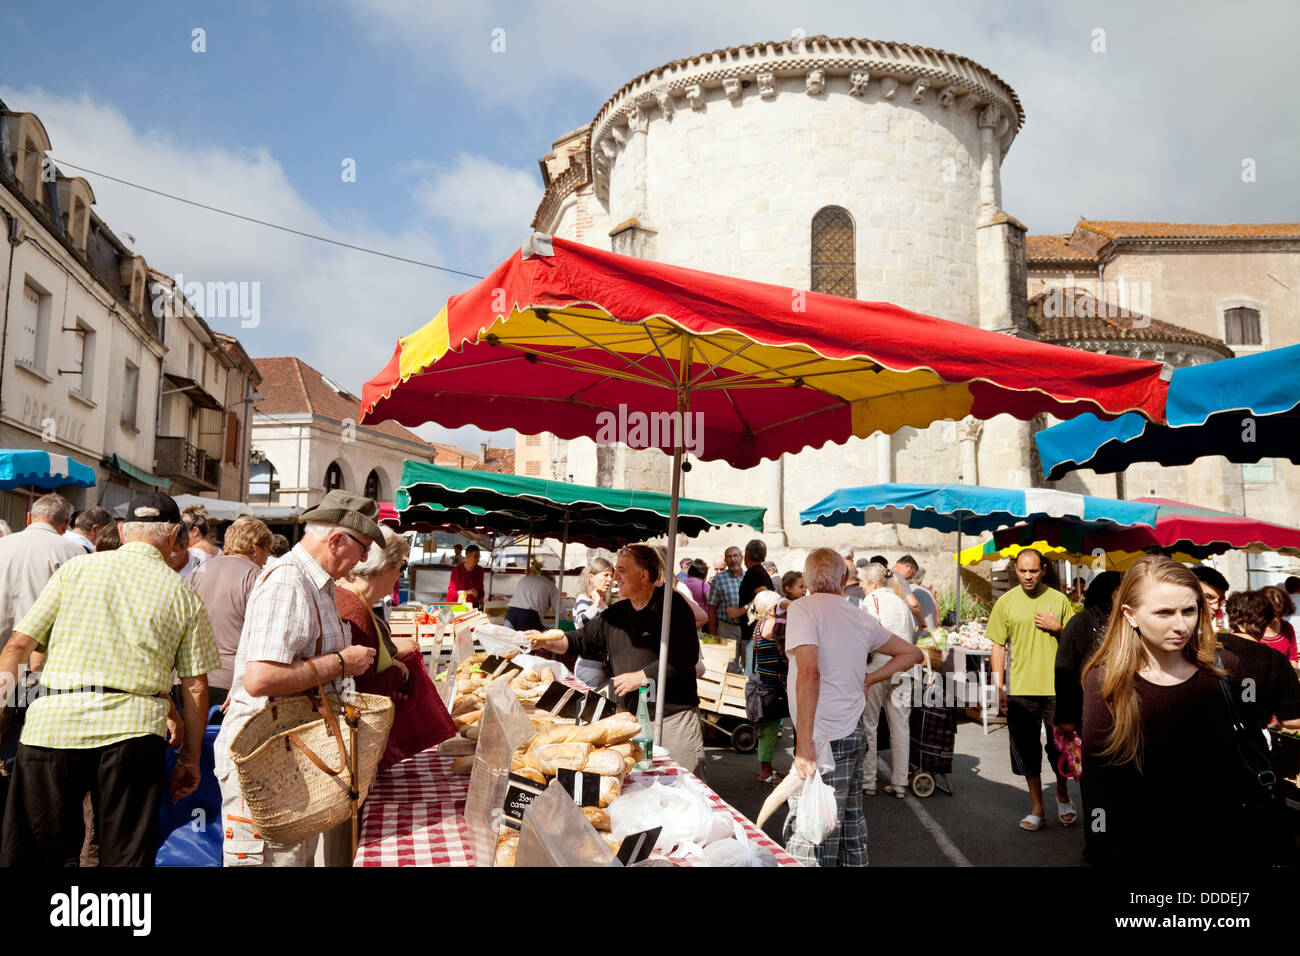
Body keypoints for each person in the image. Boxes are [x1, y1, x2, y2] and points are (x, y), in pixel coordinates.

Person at [0, 492, 218, 866]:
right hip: (132, 735)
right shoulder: (183, 594)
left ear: (121, 529)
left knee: (36, 853)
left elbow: (18, 647)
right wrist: (191, 759)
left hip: (53, 725)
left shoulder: (76, 570)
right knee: (125, 855)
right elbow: (195, 687)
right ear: (173, 536)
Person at [214, 491, 382, 867]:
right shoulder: (289, 582)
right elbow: (260, 678)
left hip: (286, 759)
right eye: (364, 548)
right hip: (265, 760)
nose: (364, 561)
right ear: (337, 540)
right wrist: (341, 663)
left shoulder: (315, 583)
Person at [1080, 556, 1254, 867]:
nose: (1181, 624)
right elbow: (1098, 783)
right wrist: (1101, 849)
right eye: (1164, 613)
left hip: (1225, 847)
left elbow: (1249, 752)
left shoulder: (1227, 669)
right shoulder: (1106, 682)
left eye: (1189, 610)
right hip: (1141, 851)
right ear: (1130, 615)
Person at [783, 548, 922, 867]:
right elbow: (912, 654)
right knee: (848, 825)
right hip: (848, 732)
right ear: (843, 580)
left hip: (823, 737)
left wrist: (803, 743)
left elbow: (809, 671)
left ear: (807, 580)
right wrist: (869, 678)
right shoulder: (858, 616)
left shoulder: (803, 609)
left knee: (814, 833)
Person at [530, 545, 705, 776]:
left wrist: (640, 676)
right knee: (644, 787)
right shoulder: (618, 613)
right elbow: (582, 640)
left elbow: (685, 655)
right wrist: (545, 641)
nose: (615, 577)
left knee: (685, 784)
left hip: (673, 719)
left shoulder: (672, 606)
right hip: (633, 719)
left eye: (622, 570)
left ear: (643, 575)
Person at [336, 527, 455, 771]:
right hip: (355, 748)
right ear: (383, 568)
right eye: (401, 568)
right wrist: (398, 673)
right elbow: (362, 691)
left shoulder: (356, 601)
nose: (400, 577)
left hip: (363, 743)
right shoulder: (354, 610)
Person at [986, 548, 1076, 831]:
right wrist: (999, 687)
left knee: (1059, 748)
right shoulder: (1006, 602)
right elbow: (998, 646)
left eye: (1033, 571)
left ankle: (1062, 795)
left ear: (1044, 569)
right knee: (1026, 750)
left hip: (1055, 689)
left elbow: (1074, 643)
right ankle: (1038, 807)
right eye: (1023, 571)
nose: (1028, 576)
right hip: (1021, 689)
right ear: (1016, 569)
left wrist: (1058, 627)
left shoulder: (1059, 600)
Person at [188, 517, 274, 711]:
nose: (267, 558)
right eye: (267, 550)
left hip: (188, 678)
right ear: (255, 547)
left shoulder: (196, 572)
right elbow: (261, 636)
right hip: (229, 681)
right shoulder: (257, 577)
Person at [857, 563, 916, 797]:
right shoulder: (902, 603)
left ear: (873, 583)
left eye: (862, 582)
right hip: (905, 669)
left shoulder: (872, 602)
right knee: (900, 725)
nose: (860, 586)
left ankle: (868, 780)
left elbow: (864, 635)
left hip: (878, 669)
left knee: (869, 724)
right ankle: (900, 782)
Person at [0, 494, 84, 652]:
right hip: (35, 653)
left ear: (29, 517)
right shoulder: (74, 552)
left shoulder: (2, 544)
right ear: (66, 524)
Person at [1054, 571, 1122, 733]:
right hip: (1086, 710)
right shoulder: (1080, 623)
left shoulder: (1125, 621)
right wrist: (1067, 718)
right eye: (1119, 592)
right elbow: (1065, 671)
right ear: (1106, 593)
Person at [1222, 590, 1300, 732]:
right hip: (1253, 742)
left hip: (1204, 740)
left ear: (1231, 616)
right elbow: (1292, 720)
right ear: (1266, 622)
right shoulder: (1276, 660)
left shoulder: (1204, 647)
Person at [753, 571, 804, 784]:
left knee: (771, 729)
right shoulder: (770, 625)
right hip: (770, 687)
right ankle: (765, 771)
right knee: (771, 729)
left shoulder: (759, 624)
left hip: (769, 685)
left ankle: (768, 768)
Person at [572, 557, 615, 688]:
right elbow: (582, 624)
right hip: (588, 667)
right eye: (605, 575)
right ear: (591, 577)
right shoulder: (584, 599)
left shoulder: (603, 603)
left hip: (600, 666)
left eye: (611, 576)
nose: (610, 580)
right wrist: (596, 603)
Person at [736, 539, 774, 673]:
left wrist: (740, 611)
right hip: (756, 634)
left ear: (746, 554)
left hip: (754, 635)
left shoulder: (755, 573)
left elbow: (763, 593)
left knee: (751, 677)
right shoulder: (759, 572)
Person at [707, 545, 745, 644]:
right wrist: (712, 634)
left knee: (749, 659)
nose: (732, 559)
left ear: (742, 558)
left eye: (735, 555)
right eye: (729, 557)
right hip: (727, 629)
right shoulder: (718, 580)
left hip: (747, 628)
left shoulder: (749, 577)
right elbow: (711, 609)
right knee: (729, 659)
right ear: (725, 561)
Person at [505, 564, 559, 631]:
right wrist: (566, 622)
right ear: (551, 579)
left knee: (508, 640)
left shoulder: (526, 578)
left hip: (510, 614)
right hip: (528, 617)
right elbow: (559, 609)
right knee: (535, 639)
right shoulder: (550, 585)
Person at [1259, 585, 1298, 662]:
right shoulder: (1250, 628)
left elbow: (1292, 658)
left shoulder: (1287, 627)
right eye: (1272, 614)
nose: (1276, 619)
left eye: (1280, 614)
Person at [892, 555, 927, 631]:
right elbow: (914, 605)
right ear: (907, 567)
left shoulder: (883, 574)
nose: (911, 578)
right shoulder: (899, 578)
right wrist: (922, 622)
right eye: (912, 574)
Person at [908, 565, 939, 633]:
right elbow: (937, 620)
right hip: (929, 637)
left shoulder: (905, 592)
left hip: (912, 638)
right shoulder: (930, 593)